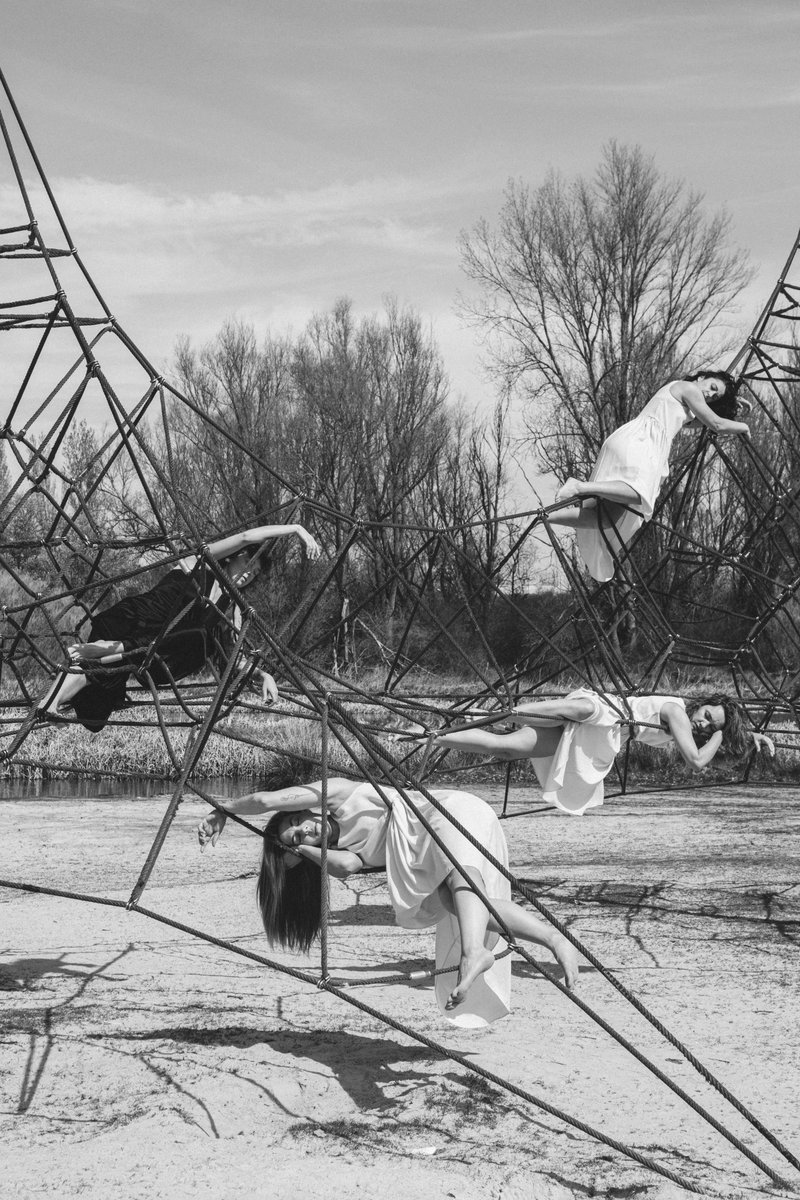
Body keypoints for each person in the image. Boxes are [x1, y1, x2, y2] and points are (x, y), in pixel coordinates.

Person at [197, 777, 579, 1028]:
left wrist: (223, 811)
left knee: (463, 878)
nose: (306, 828)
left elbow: (266, 799)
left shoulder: (341, 795)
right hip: (419, 858)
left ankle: (473, 951)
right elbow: (345, 866)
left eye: (298, 819)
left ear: (306, 807)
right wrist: (299, 848)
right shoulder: (341, 850)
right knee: (455, 899)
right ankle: (552, 938)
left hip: (442, 814)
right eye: (299, 837)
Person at [37, 522, 321, 732]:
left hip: (148, 654)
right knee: (96, 665)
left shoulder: (228, 609)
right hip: (131, 623)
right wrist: (296, 529)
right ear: (235, 556)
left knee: (97, 712)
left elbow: (232, 658)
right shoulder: (201, 564)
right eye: (249, 561)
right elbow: (247, 536)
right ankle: (50, 703)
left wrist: (262, 675)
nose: (249, 573)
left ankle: (62, 701)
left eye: (256, 573)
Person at [412, 689, 775, 816]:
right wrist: (725, 733)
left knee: (507, 748)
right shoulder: (678, 713)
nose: (704, 726)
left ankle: (433, 735)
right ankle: (501, 710)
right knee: (578, 709)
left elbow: (709, 754)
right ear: (703, 704)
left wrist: (745, 738)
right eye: (708, 717)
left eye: (711, 727)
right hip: (604, 712)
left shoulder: (690, 731)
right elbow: (697, 762)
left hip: (599, 739)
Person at [550, 371, 751, 581]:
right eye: (712, 387)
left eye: (715, 396)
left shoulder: (686, 399)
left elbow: (706, 420)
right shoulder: (688, 388)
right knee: (639, 494)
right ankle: (580, 487)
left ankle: (544, 518)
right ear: (701, 378)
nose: (710, 394)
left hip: (638, 441)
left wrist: (731, 404)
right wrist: (743, 427)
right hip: (641, 442)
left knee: (606, 518)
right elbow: (716, 424)